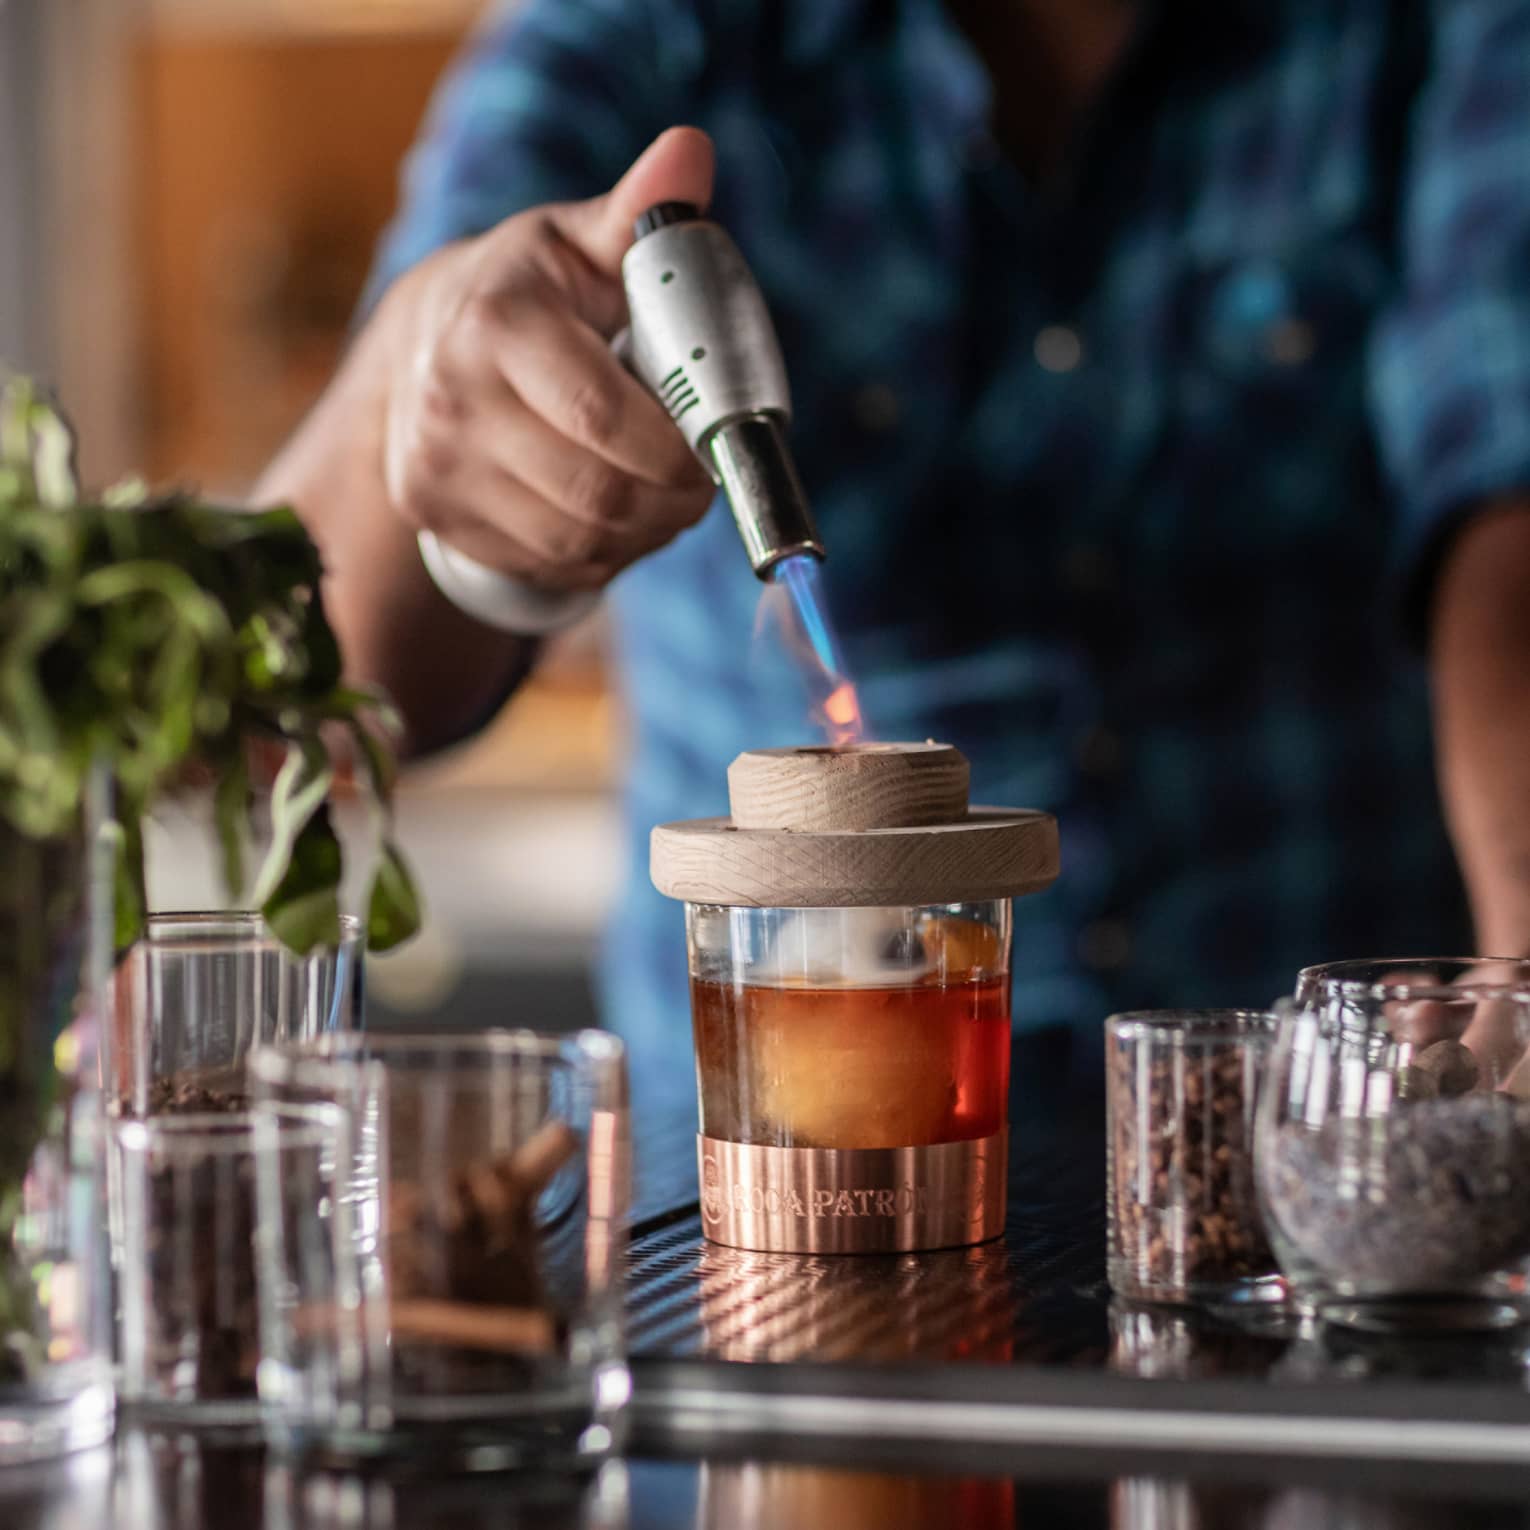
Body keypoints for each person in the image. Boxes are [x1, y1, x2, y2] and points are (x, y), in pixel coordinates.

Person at [257, 0, 1530, 1112]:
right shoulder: (658, 27)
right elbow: (309, 664)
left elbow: (1506, 481)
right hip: (760, 1170)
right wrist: (430, 379)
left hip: (1298, 1138)